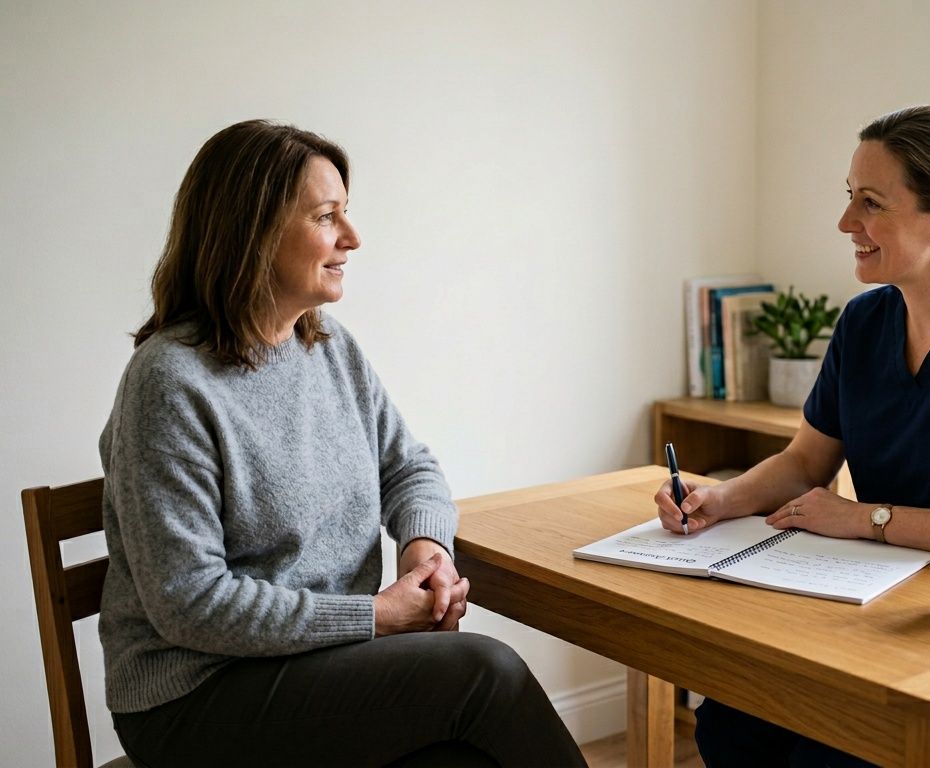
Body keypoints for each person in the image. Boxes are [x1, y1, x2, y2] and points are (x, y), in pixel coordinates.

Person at [99, 120, 587, 768]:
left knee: (462, 757)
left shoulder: (325, 348)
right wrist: (377, 616)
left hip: (324, 667)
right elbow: (190, 605)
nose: (352, 239)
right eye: (328, 217)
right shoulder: (168, 383)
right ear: (254, 231)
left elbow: (409, 467)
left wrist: (424, 551)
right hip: (195, 698)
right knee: (484, 672)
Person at [653, 105, 930, 767]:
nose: (846, 223)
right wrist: (721, 499)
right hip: (888, 593)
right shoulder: (864, 323)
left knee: (832, 755)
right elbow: (806, 460)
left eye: (871, 203)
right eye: (849, 198)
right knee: (732, 723)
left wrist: (865, 520)